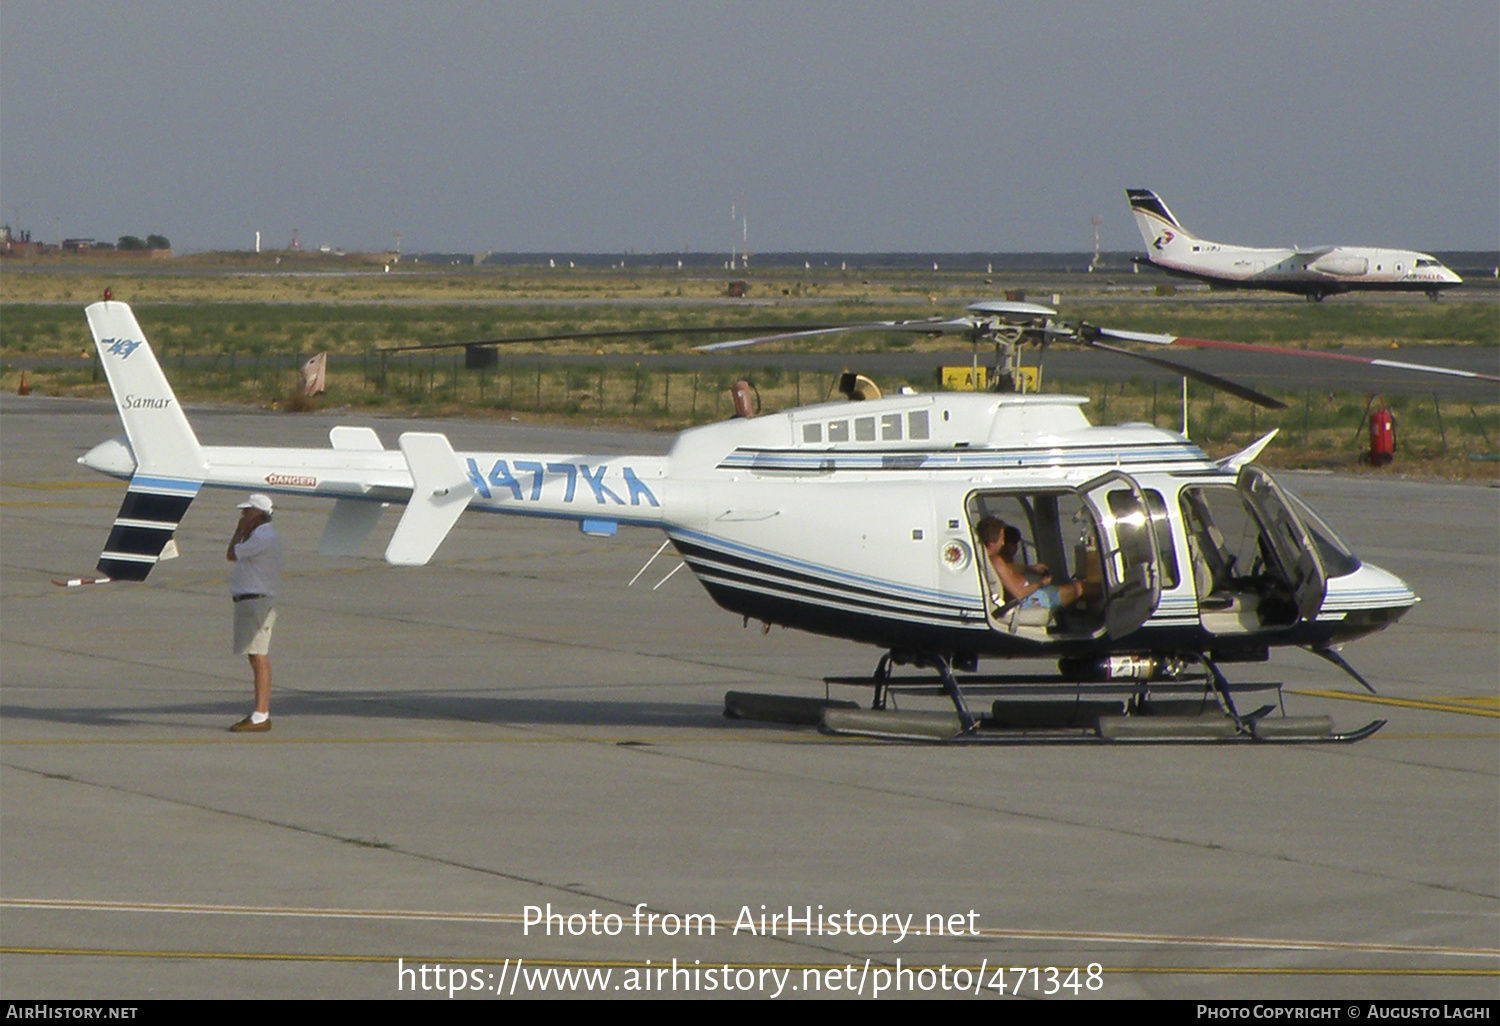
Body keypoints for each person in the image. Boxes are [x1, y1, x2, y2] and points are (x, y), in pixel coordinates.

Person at [226, 493, 282, 732]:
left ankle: (261, 714)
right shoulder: (261, 535)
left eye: (247, 512)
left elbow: (231, 553)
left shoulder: (262, 536)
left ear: (258, 515)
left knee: (258, 655)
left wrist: (239, 531)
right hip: (251, 601)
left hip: (255, 602)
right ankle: (260, 712)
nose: (242, 515)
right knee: (256, 655)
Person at [976, 516, 1084, 612]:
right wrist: (1040, 584)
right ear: (992, 543)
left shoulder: (987, 559)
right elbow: (1018, 594)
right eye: (1001, 539)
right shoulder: (996, 560)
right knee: (1079, 587)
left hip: (1023, 598)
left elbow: (1007, 569)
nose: (1003, 543)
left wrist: (1030, 569)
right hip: (1024, 603)